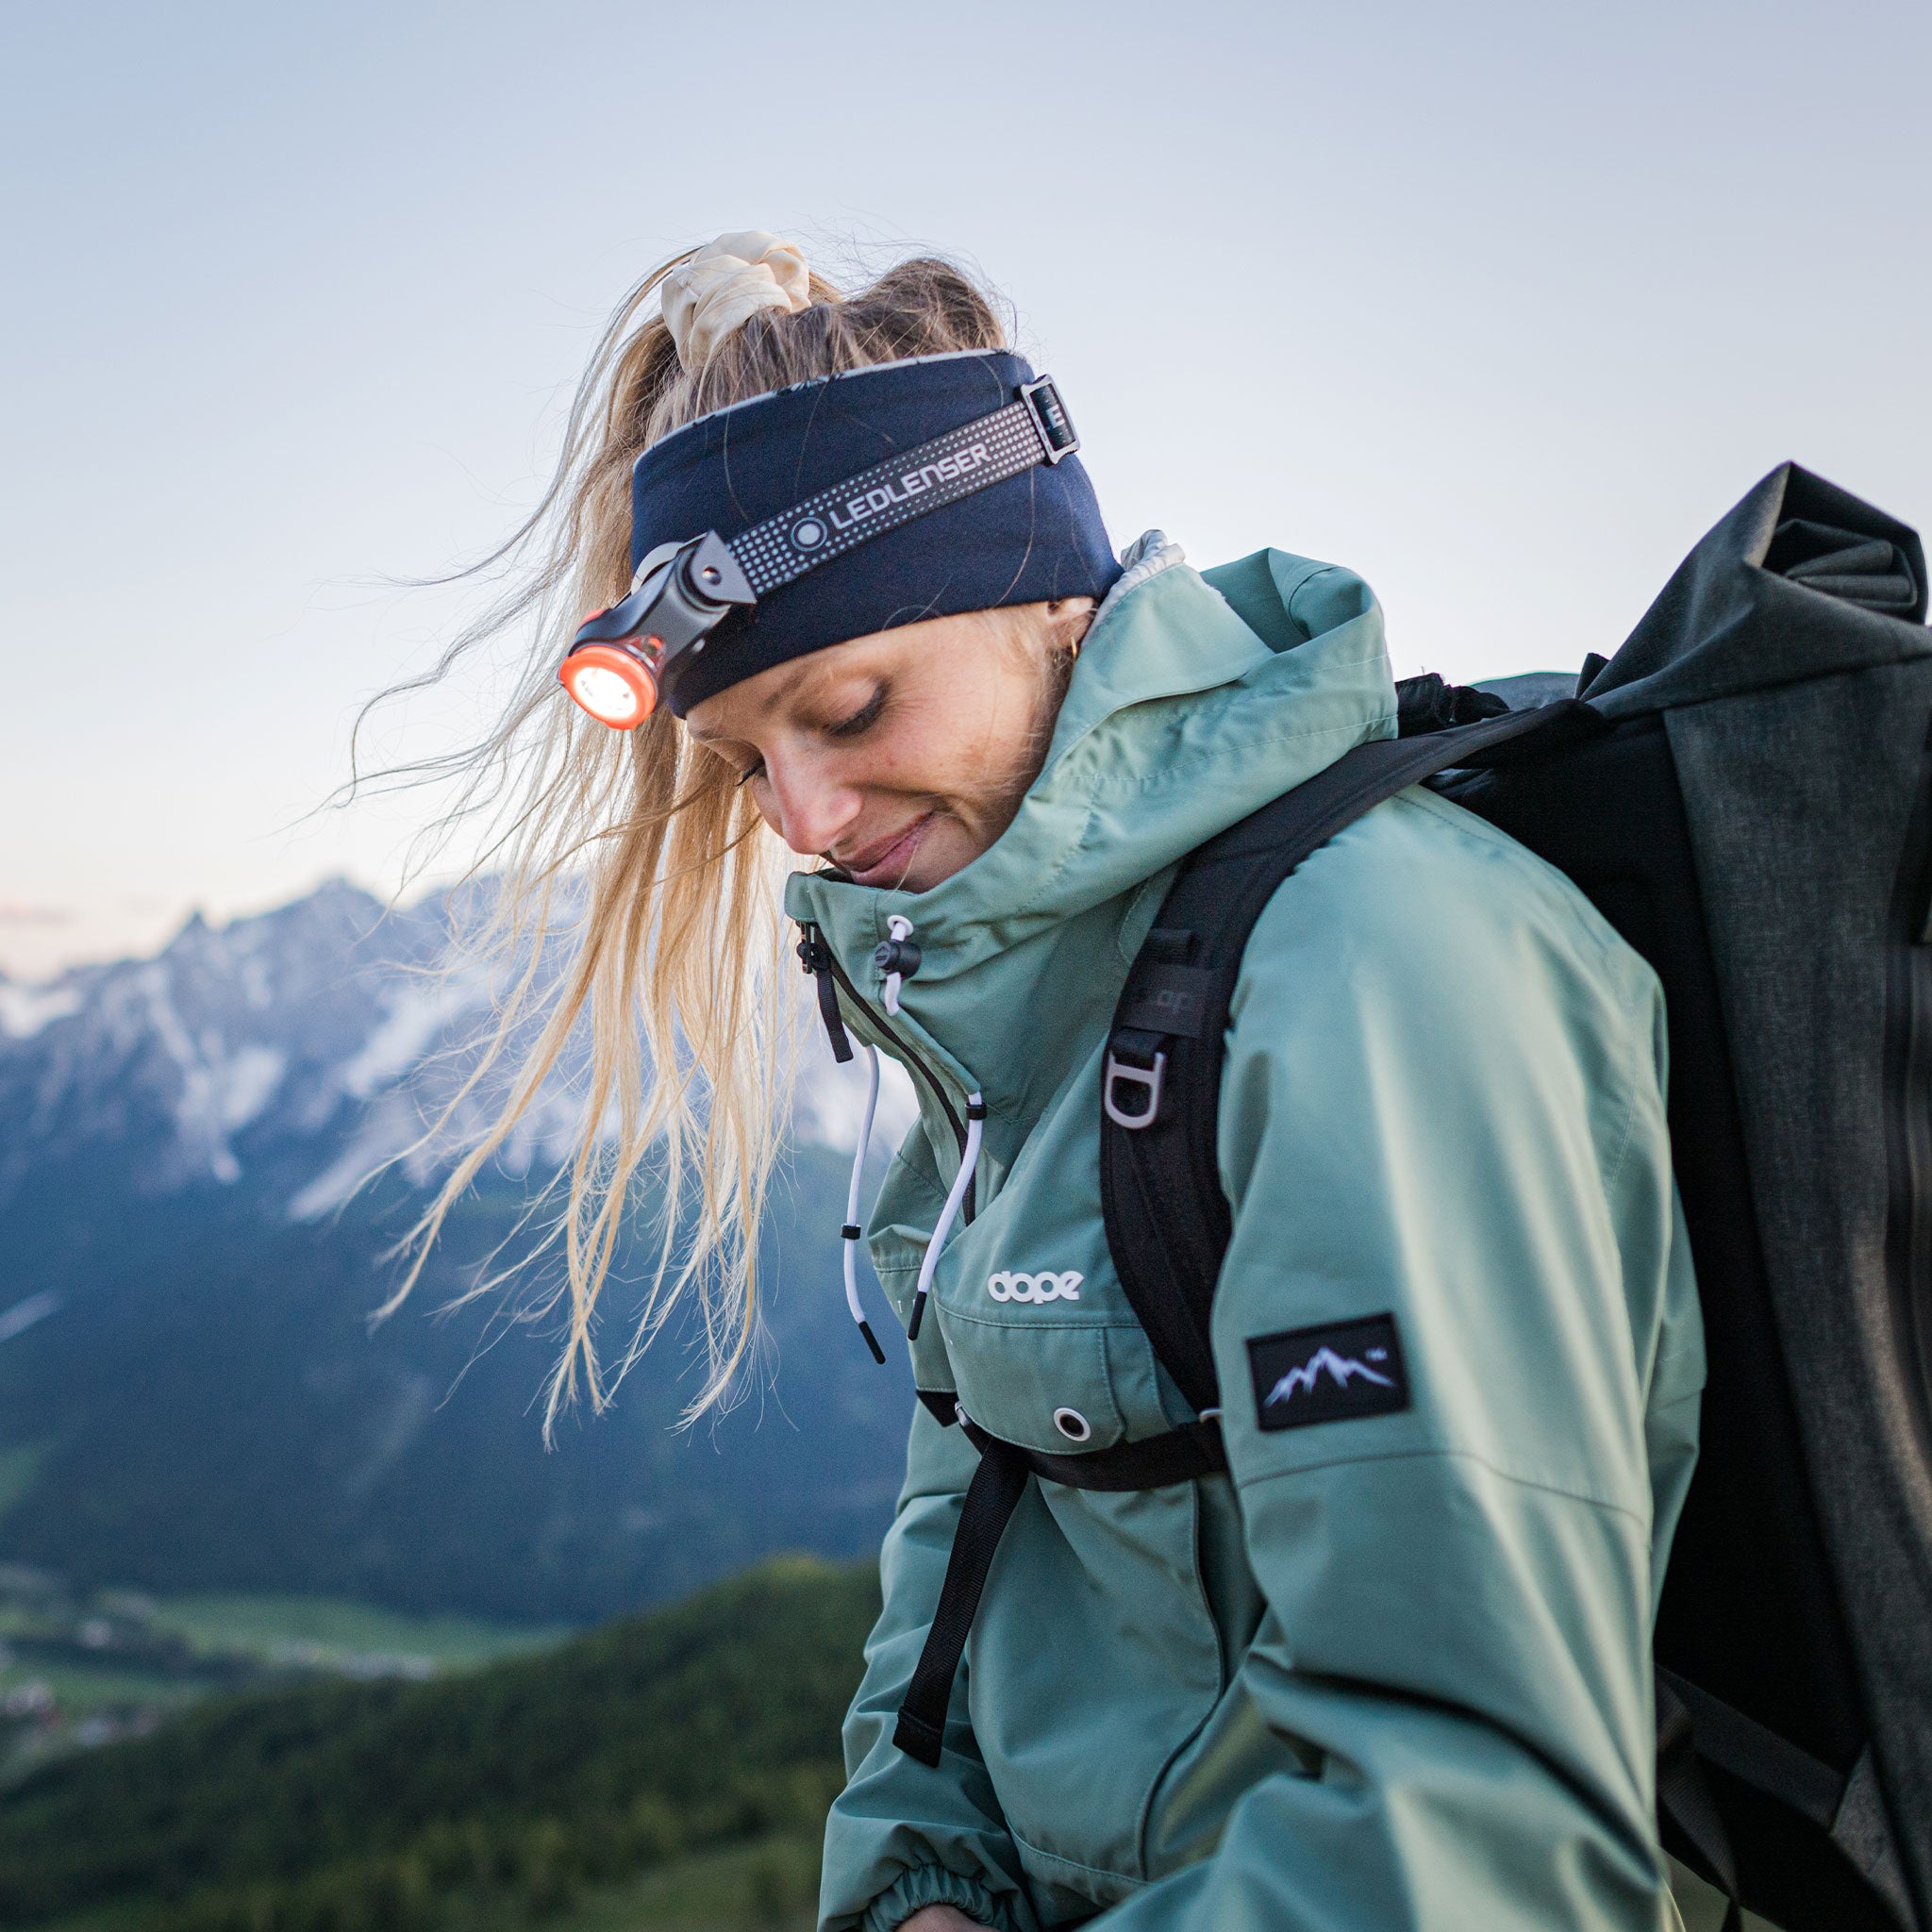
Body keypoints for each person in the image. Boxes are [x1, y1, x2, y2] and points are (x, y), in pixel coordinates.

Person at [402, 231, 1704, 1930]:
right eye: (742, 765)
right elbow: (976, 1528)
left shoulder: (1368, 977)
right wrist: (918, 1878)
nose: (801, 823)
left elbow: (1483, 1846)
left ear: (1047, 595)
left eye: (852, 705)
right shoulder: (988, 1015)